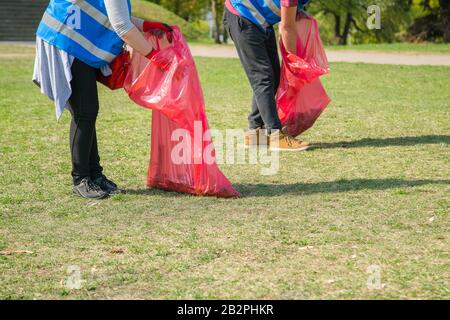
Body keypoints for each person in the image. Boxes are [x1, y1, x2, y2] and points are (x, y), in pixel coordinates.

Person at [33, 0, 172, 199]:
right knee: (85, 112)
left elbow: (114, 14)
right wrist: (155, 56)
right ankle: (81, 179)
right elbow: (122, 26)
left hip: (73, 42)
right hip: (65, 42)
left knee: (87, 112)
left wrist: (144, 25)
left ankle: (95, 176)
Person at [223, 0, 311, 151]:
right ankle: (275, 135)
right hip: (243, 17)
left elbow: (289, 16)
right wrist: (293, 63)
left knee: (274, 76)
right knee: (263, 78)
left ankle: (255, 132)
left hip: (261, 23)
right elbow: (287, 27)